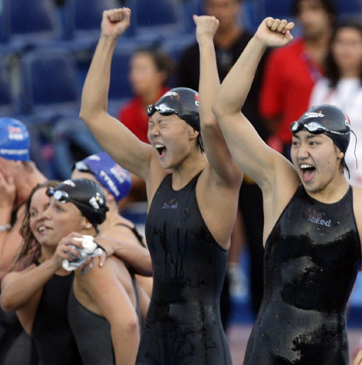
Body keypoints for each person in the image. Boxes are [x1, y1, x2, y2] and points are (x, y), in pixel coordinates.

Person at [213, 17, 362, 364]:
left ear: (338, 150)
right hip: (266, 353)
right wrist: (257, 42)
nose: (301, 152)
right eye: (297, 142)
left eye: (313, 143)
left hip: (329, 354)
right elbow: (225, 111)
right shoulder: (279, 182)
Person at [79, 8, 242, 365]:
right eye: (150, 124)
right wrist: (107, 39)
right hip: (155, 338)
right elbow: (92, 114)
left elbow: (216, 121)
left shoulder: (220, 178)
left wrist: (206, 43)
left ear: (192, 129)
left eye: (164, 123)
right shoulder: (155, 170)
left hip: (201, 344)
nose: (153, 132)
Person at [178, 0, 269, 321]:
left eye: (227, 3)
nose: (221, 10)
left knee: (262, 243)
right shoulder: (191, 56)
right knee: (212, 243)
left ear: (240, 6)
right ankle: (215, 323)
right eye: (214, 4)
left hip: (253, 158)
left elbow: (270, 105)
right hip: (212, 161)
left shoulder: (260, 49)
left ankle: (263, 320)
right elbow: (187, 109)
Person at [0, 178, 143, 365]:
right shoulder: (25, 278)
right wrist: (54, 263)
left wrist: (116, 245)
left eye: (55, 208)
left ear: (84, 219)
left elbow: (142, 316)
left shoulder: (98, 262)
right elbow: (8, 300)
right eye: (33, 213)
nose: (43, 216)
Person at [309, 17, 362, 349]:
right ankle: (332, 326)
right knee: (331, 257)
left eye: (354, 43)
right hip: (332, 187)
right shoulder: (324, 88)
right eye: (341, 42)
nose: (346, 50)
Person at [0, 117, 46, 365]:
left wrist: (2, 207)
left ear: (15, 160)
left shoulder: (43, 202)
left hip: (33, 330)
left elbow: (0, 268)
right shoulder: (9, 194)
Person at [259, 0, 336, 159]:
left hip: (343, 143)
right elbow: (270, 110)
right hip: (296, 146)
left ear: (329, 14)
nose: (306, 17)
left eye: (314, 9)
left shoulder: (347, 52)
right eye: (301, 11)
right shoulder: (282, 57)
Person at [71, 151, 153, 300]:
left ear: (108, 193)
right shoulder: (121, 229)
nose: (71, 196)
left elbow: (149, 295)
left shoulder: (113, 238)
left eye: (81, 188)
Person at [117, 48, 174, 209]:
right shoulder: (127, 112)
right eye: (132, 69)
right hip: (140, 180)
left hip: (174, 175)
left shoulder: (175, 105)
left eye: (141, 69)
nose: (134, 76)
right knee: (111, 199)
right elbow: (126, 157)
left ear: (160, 75)